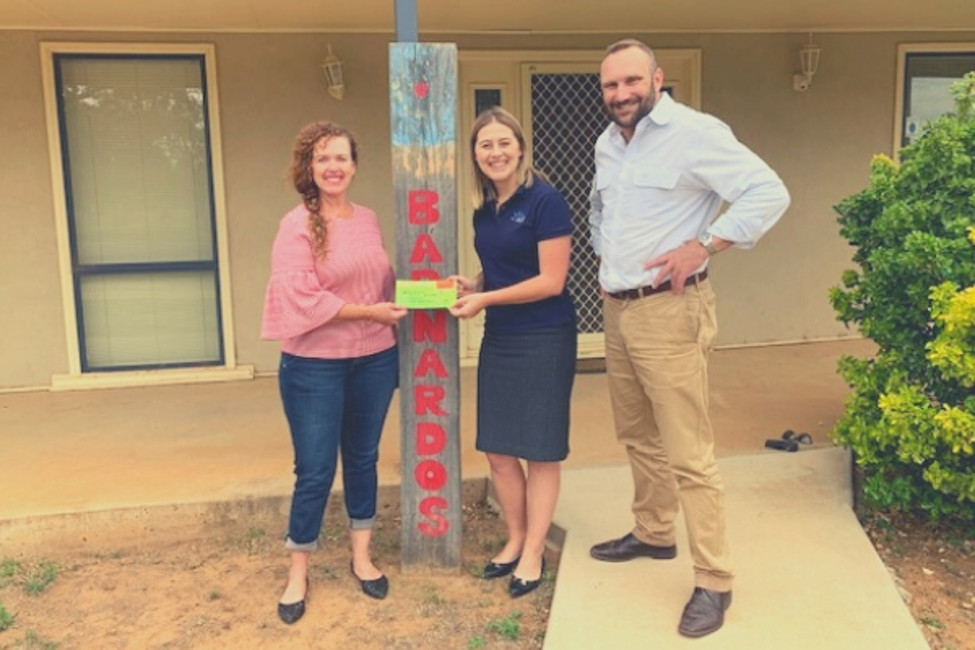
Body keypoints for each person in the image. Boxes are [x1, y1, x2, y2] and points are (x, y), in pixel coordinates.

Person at [588, 39, 790, 638]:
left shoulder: (695, 133)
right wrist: (606, 261)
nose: (621, 93)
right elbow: (602, 211)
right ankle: (654, 532)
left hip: (670, 311)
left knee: (688, 452)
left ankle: (714, 580)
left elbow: (768, 192)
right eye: (610, 85)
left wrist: (704, 246)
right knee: (636, 433)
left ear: (658, 79)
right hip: (618, 309)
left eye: (632, 81)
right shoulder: (606, 143)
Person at [261, 121, 407, 624]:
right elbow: (300, 298)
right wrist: (368, 312)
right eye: (322, 158)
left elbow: (382, 284)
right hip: (313, 367)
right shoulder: (296, 225)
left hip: (375, 359)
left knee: (363, 458)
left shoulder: (367, 219)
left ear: (354, 165)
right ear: (310, 167)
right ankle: (298, 571)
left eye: (341, 157)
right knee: (316, 468)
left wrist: (432, 290)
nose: (333, 166)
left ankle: (361, 556)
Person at [449, 106, 577, 599]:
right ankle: (516, 536)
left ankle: (534, 550)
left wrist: (484, 300)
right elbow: (506, 266)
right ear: (475, 155)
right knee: (498, 449)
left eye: (504, 142)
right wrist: (476, 283)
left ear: (520, 148)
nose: (496, 152)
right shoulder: (485, 210)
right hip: (501, 337)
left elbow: (551, 280)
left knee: (540, 450)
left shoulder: (545, 200)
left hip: (545, 337)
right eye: (485, 145)